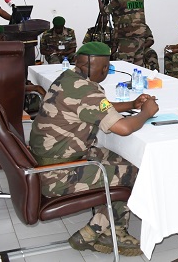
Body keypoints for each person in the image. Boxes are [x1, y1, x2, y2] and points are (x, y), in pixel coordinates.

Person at [28, 42, 159, 256]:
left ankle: (115, 229)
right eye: (105, 68)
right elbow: (123, 128)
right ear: (101, 67)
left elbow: (98, 106)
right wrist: (146, 113)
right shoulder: (88, 90)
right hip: (59, 174)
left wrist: (132, 105)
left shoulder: (69, 80)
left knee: (127, 159)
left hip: (55, 161)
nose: (106, 72)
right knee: (134, 174)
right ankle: (92, 232)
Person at [97, 0, 148, 64]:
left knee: (125, 66)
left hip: (126, 38)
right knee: (138, 66)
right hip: (141, 37)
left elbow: (104, 12)